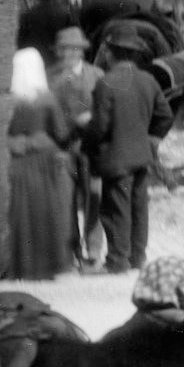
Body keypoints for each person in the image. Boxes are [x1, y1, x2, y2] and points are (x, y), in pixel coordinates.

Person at [86, 26, 173, 274]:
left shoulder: (107, 83)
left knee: (116, 210)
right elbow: (165, 115)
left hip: (115, 158)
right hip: (141, 157)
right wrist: (152, 139)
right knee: (139, 207)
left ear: (112, 54)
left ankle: (117, 260)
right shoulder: (148, 80)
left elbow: (99, 126)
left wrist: (87, 141)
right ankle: (138, 257)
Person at [7, 49, 75, 281]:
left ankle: (17, 264)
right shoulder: (47, 98)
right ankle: (45, 265)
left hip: (15, 161)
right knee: (45, 212)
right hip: (43, 161)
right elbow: (61, 131)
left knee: (18, 214)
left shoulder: (8, 99)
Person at [48, 26, 104, 265]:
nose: (68, 54)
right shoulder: (50, 77)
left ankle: (93, 250)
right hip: (61, 148)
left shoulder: (97, 75)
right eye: (63, 49)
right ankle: (72, 251)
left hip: (91, 147)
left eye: (73, 49)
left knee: (94, 196)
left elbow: (106, 110)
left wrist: (91, 119)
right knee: (66, 200)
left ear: (82, 51)